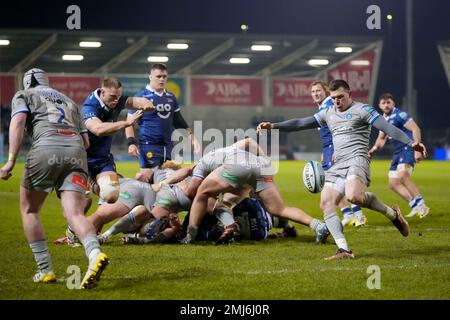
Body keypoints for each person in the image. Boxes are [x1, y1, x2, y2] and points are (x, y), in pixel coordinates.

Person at [257, 79, 427, 260]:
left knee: (353, 196)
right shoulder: (328, 113)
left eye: (340, 97)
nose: (337, 101)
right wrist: (274, 126)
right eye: (334, 98)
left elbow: (388, 128)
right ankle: (344, 250)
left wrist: (411, 143)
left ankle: (393, 215)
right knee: (326, 203)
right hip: (337, 164)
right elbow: (301, 123)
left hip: (357, 160)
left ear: (349, 94)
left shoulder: (363, 110)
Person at [0, 68, 108, 289]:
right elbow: (87, 143)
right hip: (77, 154)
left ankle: (45, 270)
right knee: (75, 213)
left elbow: (18, 122)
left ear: (28, 82)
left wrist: (11, 160)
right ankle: (95, 253)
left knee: (30, 210)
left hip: (46, 150)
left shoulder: (24, 94)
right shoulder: (69, 101)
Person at [180, 147, 330, 245]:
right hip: (261, 167)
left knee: (202, 192)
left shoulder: (200, 165)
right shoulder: (223, 151)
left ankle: (189, 236)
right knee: (279, 209)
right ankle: (318, 226)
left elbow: (194, 190)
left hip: (237, 167)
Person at [82, 77, 154, 205]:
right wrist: (126, 123)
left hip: (103, 159)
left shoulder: (116, 99)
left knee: (112, 195)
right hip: (81, 160)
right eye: (113, 96)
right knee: (84, 203)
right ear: (102, 92)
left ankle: (94, 183)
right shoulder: (90, 107)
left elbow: (135, 101)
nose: (116, 100)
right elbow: (98, 129)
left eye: (118, 96)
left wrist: (147, 104)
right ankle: (92, 182)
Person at [125, 63, 200, 183]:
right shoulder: (140, 97)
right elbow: (129, 123)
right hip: (149, 145)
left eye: (164, 76)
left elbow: (178, 120)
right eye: (158, 76)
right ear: (150, 77)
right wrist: (131, 143)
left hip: (169, 145)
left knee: (170, 180)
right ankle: (132, 194)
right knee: (145, 178)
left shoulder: (171, 97)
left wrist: (192, 136)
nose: (162, 79)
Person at [310, 81, 366, 226]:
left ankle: (358, 214)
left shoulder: (330, 105)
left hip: (335, 149)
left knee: (339, 182)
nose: (316, 94)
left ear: (326, 92)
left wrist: (336, 149)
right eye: (313, 92)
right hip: (328, 149)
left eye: (318, 91)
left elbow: (340, 128)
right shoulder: (323, 107)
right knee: (332, 183)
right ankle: (348, 214)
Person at [368, 93, 429, 218]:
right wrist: (373, 150)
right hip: (397, 153)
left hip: (407, 148)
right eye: (383, 103)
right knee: (393, 183)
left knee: (403, 176)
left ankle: (422, 205)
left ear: (393, 104)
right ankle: (415, 206)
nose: (386, 105)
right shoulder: (382, 120)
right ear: (379, 105)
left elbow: (415, 128)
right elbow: (381, 139)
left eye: (388, 102)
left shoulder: (400, 115)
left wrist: (417, 149)